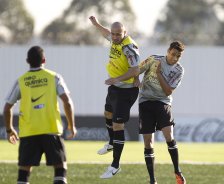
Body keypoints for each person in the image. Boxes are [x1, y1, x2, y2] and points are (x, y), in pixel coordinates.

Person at [3, 46, 77, 184]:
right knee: (60, 167)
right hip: (51, 130)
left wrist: (9, 129)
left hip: (28, 132)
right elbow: (67, 102)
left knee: (24, 171)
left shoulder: (21, 81)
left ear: (27, 61)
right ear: (44, 60)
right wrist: (72, 126)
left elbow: (7, 108)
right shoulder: (54, 77)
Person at [89, 16, 140, 179]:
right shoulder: (113, 38)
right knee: (108, 114)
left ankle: (115, 166)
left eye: (118, 34)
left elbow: (135, 71)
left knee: (118, 125)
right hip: (115, 88)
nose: (115, 37)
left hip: (126, 91)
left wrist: (116, 79)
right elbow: (106, 33)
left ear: (125, 33)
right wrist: (96, 24)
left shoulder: (129, 48)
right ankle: (111, 143)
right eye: (114, 34)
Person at [137, 41, 186, 184]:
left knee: (169, 135)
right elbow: (137, 70)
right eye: (173, 54)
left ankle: (177, 171)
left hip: (163, 102)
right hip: (145, 101)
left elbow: (168, 91)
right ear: (168, 51)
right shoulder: (153, 59)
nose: (174, 58)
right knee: (148, 142)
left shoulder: (179, 70)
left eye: (178, 56)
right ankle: (152, 180)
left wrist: (158, 74)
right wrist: (134, 79)